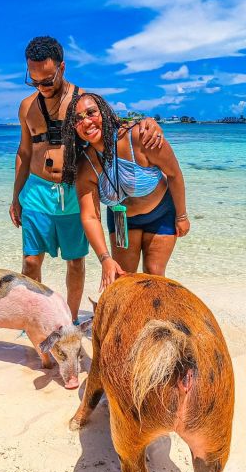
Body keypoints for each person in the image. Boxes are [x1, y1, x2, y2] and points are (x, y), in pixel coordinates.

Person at [10, 37, 162, 319]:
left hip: (73, 192)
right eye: (34, 81)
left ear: (62, 68)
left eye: (47, 80)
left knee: (76, 262)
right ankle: (34, 319)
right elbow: (23, 151)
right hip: (35, 191)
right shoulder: (26, 107)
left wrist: (148, 123)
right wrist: (15, 197)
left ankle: (69, 319)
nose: (42, 88)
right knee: (31, 261)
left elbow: (116, 130)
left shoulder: (83, 105)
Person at [61, 92, 188, 292]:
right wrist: (105, 259)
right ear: (73, 129)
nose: (86, 122)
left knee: (154, 276)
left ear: (103, 112)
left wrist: (181, 215)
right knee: (124, 281)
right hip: (122, 221)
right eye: (77, 119)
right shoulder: (85, 166)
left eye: (91, 113)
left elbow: (174, 174)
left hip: (161, 214)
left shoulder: (140, 137)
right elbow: (90, 216)